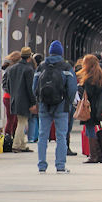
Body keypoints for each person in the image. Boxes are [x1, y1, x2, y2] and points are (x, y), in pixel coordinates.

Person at [33, 40, 77, 173]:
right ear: (61, 53)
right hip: (61, 106)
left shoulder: (41, 66)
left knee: (42, 136)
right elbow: (72, 88)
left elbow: (34, 87)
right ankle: (60, 165)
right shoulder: (66, 67)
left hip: (44, 105)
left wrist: (40, 99)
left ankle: (42, 165)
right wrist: (67, 102)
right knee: (61, 136)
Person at [77, 54, 102, 164]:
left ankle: (93, 155)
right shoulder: (98, 75)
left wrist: (81, 88)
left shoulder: (89, 78)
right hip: (98, 107)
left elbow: (89, 93)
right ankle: (100, 155)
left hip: (91, 108)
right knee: (94, 129)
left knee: (90, 130)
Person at [5, 46, 37, 152]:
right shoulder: (28, 70)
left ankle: (23, 144)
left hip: (14, 99)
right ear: (29, 58)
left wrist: (13, 94)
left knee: (21, 121)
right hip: (24, 100)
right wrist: (33, 102)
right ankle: (16, 145)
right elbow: (30, 88)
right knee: (22, 122)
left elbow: (8, 86)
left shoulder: (12, 68)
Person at [1, 51, 21, 138]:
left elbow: (4, 84)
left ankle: (11, 138)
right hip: (10, 97)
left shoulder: (8, 68)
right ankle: (8, 138)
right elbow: (5, 84)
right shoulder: (12, 69)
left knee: (13, 119)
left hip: (7, 97)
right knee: (11, 120)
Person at [27, 54, 43, 143]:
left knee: (32, 118)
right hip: (41, 96)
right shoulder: (37, 70)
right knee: (38, 117)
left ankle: (31, 137)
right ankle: (37, 135)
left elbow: (33, 86)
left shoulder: (33, 71)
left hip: (33, 96)